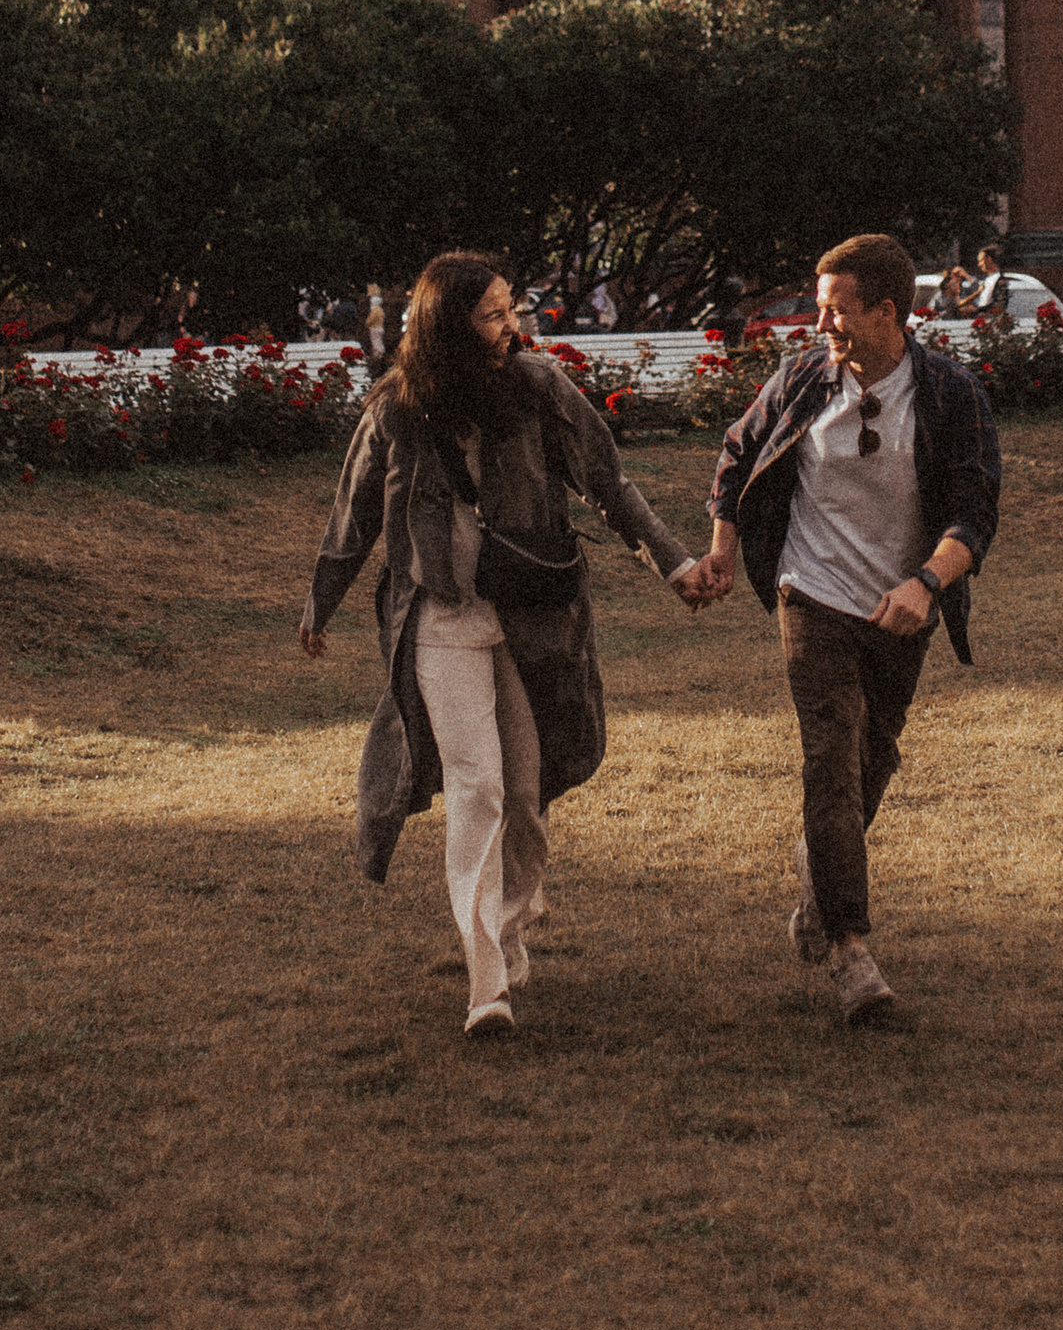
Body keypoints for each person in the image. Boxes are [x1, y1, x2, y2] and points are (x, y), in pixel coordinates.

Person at [299, 252, 713, 1037]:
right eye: (493, 315)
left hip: (529, 618)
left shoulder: (539, 388)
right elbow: (355, 511)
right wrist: (321, 601)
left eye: (509, 310)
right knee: (477, 787)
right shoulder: (396, 406)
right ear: (450, 326)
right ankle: (485, 980)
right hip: (440, 618)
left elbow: (608, 483)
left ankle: (513, 918)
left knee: (524, 793)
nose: (511, 327)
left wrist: (677, 563)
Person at [699, 230, 1000, 1024]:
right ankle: (850, 953)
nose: (819, 324)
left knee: (873, 759)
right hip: (813, 592)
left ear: (887, 313)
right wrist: (725, 551)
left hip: (900, 604)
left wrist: (925, 583)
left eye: (835, 310)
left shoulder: (949, 395)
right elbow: (738, 456)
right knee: (831, 756)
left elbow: (975, 514)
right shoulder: (803, 377)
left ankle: (818, 869)